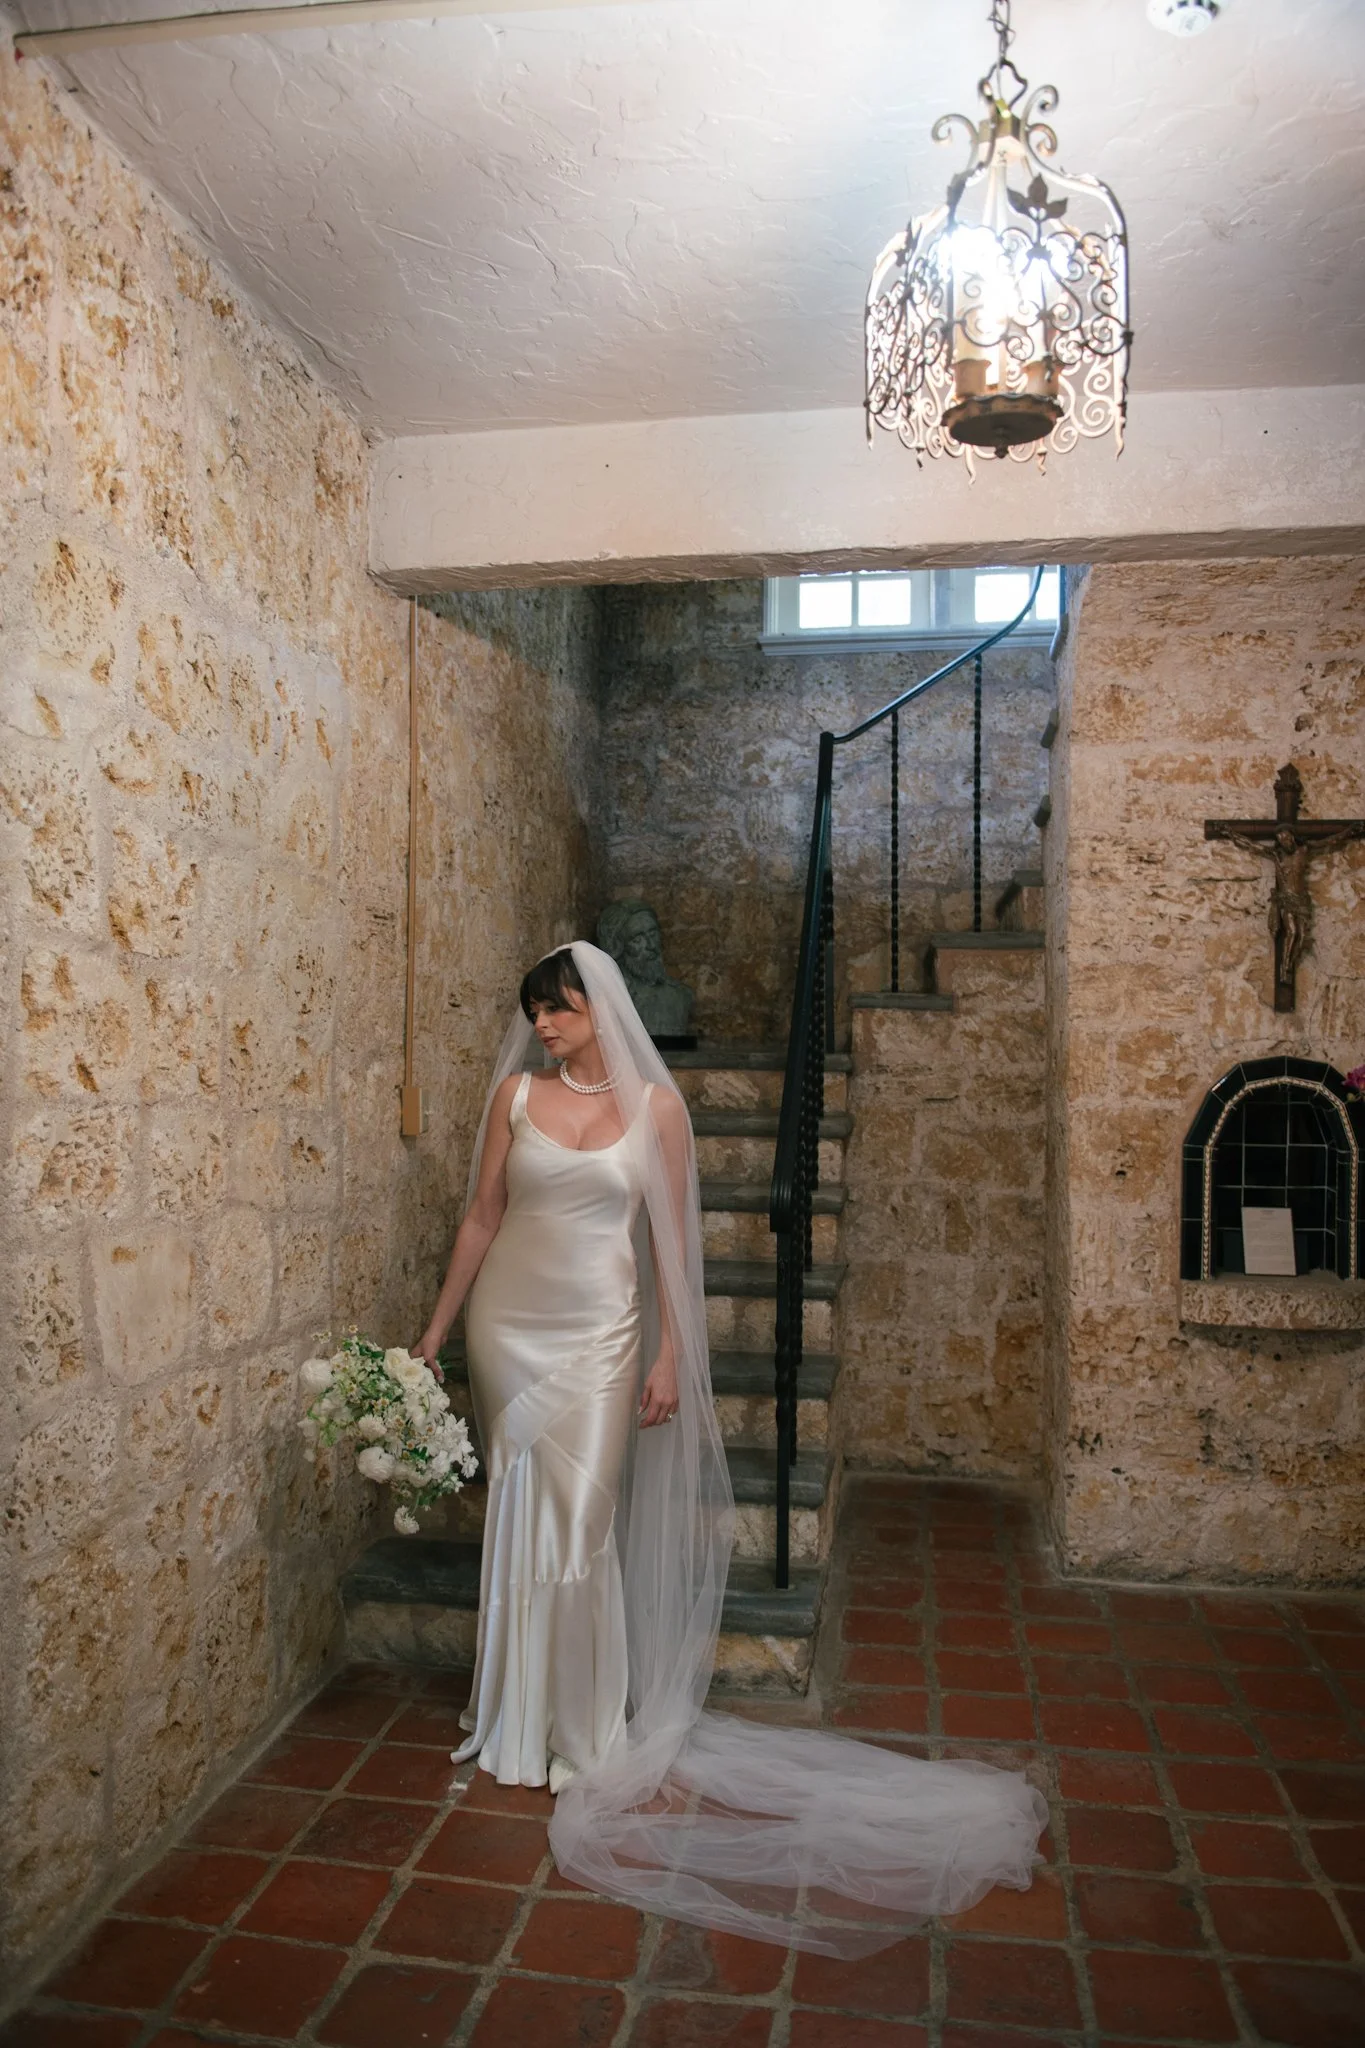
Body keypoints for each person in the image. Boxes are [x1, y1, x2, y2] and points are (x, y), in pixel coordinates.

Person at [414, 941, 1045, 1956]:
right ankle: (516, 1719)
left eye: (557, 1008)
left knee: (583, 1521)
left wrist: (671, 1351)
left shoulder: (659, 1111)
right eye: (534, 1011)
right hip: (509, 1330)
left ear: (598, 1006)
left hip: (607, 1335)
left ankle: (584, 1733)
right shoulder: (515, 1099)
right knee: (522, 1513)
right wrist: (440, 1328)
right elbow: (483, 1215)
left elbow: (672, 1243)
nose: (542, 1025)